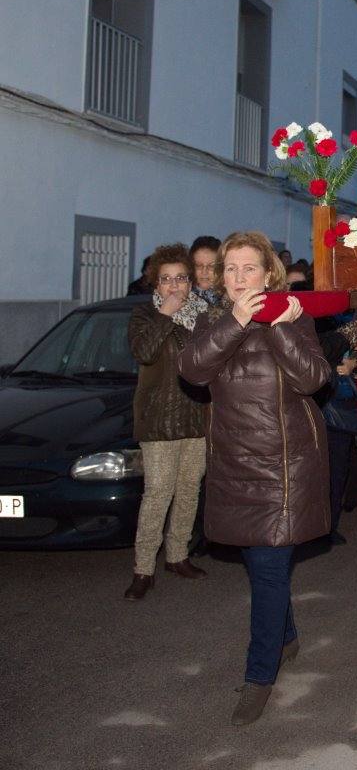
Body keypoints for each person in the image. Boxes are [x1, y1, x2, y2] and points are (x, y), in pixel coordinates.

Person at [178, 231, 330, 725]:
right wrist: (237, 320)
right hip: (233, 463)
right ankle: (285, 636)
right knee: (261, 562)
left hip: (283, 465)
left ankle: (258, 676)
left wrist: (280, 328)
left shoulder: (294, 314)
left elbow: (313, 378)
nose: (239, 277)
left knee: (266, 569)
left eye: (249, 268)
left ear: (269, 274)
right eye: (230, 269)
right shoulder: (211, 318)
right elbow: (193, 370)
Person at [123, 244, 210, 600]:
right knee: (158, 494)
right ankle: (143, 569)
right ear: (155, 284)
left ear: (190, 282)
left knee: (189, 490)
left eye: (181, 279)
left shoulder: (204, 315)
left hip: (196, 416)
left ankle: (177, 556)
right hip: (158, 419)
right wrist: (167, 315)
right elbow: (143, 352)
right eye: (166, 280)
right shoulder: (144, 315)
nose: (174, 286)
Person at [317, 318, 357, 546]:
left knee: (338, 471)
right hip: (316, 406)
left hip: (341, 408)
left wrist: (353, 363)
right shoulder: (314, 321)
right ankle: (313, 527)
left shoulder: (349, 318)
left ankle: (330, 526)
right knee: (316, 473)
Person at [190, 236, 221, 305]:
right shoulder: (181, 300)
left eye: (211, 266)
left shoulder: (232, 298)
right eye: (198, 265)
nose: (204, 271)